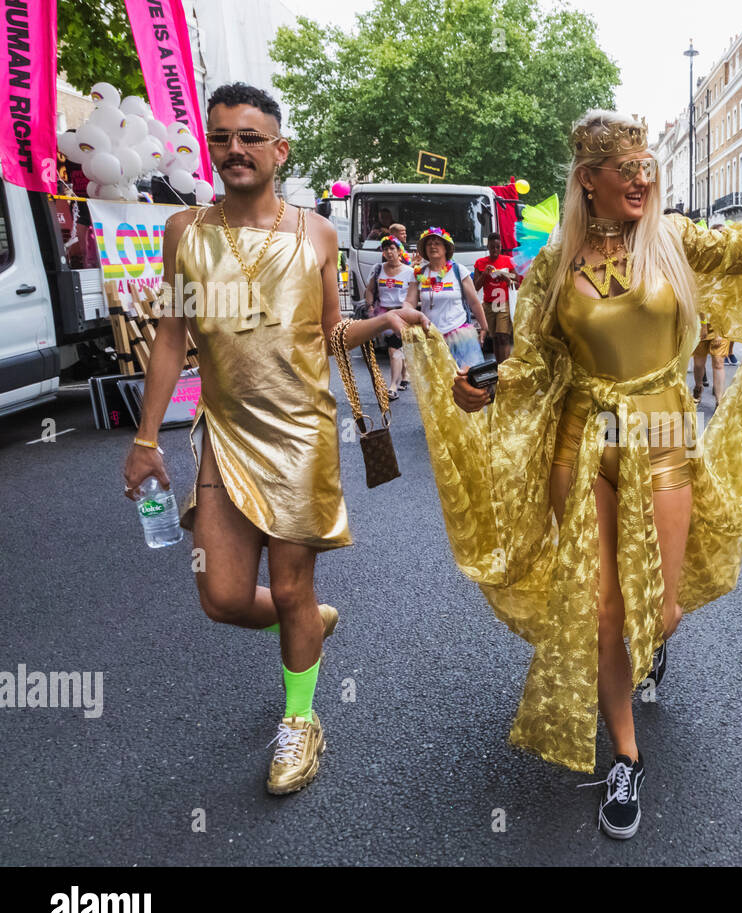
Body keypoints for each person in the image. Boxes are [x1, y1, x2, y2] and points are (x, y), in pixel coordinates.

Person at [402, 95, 742, 840]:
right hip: (582, 439)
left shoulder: (675, 239)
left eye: (647, 168)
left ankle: (654, 643)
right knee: (604, 609)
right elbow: (532, 363)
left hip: (664, 429)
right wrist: (481, 390)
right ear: (589, 179)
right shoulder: (554, 267)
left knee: (656, 609)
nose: (640, 180)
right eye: (624, 170)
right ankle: (626, 756)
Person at [121, 83, 427, 795]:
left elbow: (328, 334)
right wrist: (143, 439)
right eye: (223, 137)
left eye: (250, 137)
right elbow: (172, 336)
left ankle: (300, 721)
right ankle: (308, 626)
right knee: (222, 596)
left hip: (300, 439)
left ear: (278, 150)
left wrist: (381, 325)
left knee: (290, 587)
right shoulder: (185, 231)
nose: (235, 149)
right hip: (223, 436)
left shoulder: (316, 232)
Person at [405, 227, 487, 370]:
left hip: (459, 336)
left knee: (464, 383)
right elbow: (409, 302)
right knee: (438, 386)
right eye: (429, 243)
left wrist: (484, 327)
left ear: (445, 248)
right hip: (430, 336)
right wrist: (404, 314)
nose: (432, 246)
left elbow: (474, 301)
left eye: (437, 243)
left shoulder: (458, 270)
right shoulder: (419, 274)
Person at [367, 236, 416, 398]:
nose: (388, 252)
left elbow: (414, 295)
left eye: (392, 248)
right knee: (397, 347)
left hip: (401, 315)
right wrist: (370, 306)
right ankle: (405, 376)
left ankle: (393, 386)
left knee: (393, 348)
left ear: (399, 251)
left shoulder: (409, 272)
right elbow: (370, 290)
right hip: (383, 315)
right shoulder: (378, 269)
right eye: (386, 249)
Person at [474, 232, 520, 361]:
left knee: (503, 336)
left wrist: (506, 279)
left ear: (501, 247)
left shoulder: (508, 261)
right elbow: (475, 287)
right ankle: (499, 366)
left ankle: (505, 367)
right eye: (492, 247)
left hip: (503, 302)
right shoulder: (480, 263)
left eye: (498, 247)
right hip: (489, 304)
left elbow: (517, 283)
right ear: (488, 246)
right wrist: (484, 275)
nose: (495, 250)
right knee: (494, 337)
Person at [691, 315, 728, 404]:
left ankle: (719, 400)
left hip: (720, 325)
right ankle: (698, 388)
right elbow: (700, 303)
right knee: (698, 364)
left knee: (718, 362)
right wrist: (703, 325)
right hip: (700, 323)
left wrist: (718, 332)